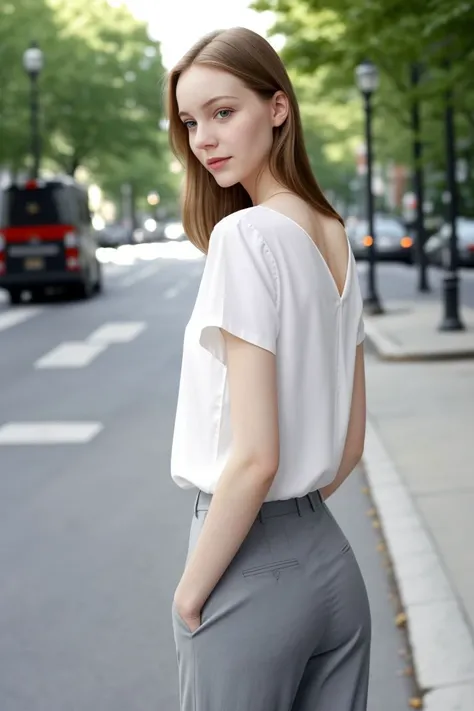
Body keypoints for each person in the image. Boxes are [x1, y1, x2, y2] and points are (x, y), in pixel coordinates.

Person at [167, 26, 370, 711]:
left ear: (277, 107)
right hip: (331, 563)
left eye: (224, 112)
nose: (204, 139)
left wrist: (192, 590)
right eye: (191, 122)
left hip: (248, 566)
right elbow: (349, 444)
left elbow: (256, 458)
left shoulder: (246, 235)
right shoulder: (333, 233)